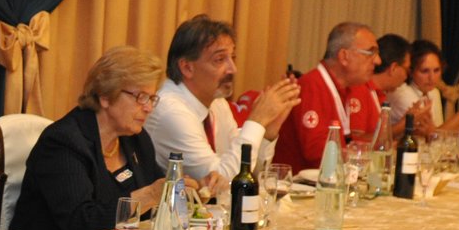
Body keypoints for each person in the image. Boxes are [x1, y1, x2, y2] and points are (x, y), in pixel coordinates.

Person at [10, 47, 183, 230]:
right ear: (106, 96)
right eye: (141, 97)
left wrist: (184, 190)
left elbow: (157, 194)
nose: (149, 108)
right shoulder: (63, 143)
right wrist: (149, 196)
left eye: (152, 98)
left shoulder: (136, 139)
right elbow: (80, 223)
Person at [142, 14, 299, 197]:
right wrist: (256, 121)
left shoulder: (217, 102)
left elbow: (248, 175)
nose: (233, 69)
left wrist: (268, 131)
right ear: (187, 68)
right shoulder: (171, 112)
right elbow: (222, 184)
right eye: (219, 60)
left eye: (232, 58)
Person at [271, 22, 382, 172]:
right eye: (371, 53)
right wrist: (360, 155)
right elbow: (318, 154)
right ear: (344, 56)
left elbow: (347, 142)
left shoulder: (344, 88)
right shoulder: (312, 86)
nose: (378, 61)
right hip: (299, 188)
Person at [396, 39, 459, 137]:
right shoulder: (403, 94)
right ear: (411, 72)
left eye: (436, 70)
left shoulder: (434, 92)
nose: (432, 77)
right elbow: (435, 135)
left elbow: (438, 131)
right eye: (424, 71)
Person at [370, 33, 412, 117]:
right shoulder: (362, 92)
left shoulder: (380, 94)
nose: (406, 77)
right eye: (406, 70)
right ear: (393, 68)